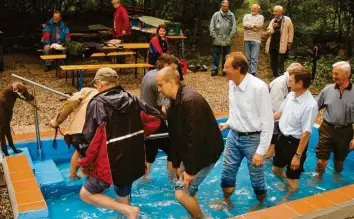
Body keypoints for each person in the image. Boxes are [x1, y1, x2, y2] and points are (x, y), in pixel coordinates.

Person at [77, 68, 161, 218]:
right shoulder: (132, 99)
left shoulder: (97, 104)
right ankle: (126, 211)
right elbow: (155, 118)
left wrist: (85, 163)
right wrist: (139, 133)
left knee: (85, 194)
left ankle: (129, 210)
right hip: (132, 158)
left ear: (100, 84)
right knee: (123, 194)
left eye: (96, 84)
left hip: (109, 164)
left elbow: (90, 139)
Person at [155, 67, 224, 218]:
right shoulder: (173, 102)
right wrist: (176, 163)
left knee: (181, 193)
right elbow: (174, 135)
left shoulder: (192, 101)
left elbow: (196, 138)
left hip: (207, 152)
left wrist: (190, 171)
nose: (158, 90)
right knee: (187, 191)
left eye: (160, 85)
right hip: (191, 152)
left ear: (172, 82)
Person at [210, 52, 274, 210]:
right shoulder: (232, 82)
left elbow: (268, 121)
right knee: (226, 175)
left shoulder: (259, 88)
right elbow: (237, 108)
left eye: (226, 67)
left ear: (238, 69)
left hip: (253, 140)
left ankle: (261, 205)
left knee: (257, 180)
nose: (223, 70)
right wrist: (230, 123)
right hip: (233, 137)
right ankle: (226, 201)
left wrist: (261, 151)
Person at [272, 69, 318, 193]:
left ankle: (288, 199)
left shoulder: (310, 105)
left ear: (300, 83)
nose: (288, 83)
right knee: (276, 168)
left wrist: (297, 156)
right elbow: (280, 113)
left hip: (295, 144)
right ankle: (285, 184)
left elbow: (306, 133)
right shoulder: (291, 95)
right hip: (282, 139)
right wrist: (264, 121)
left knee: (293, 178)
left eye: (291, 81)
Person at [140, 54, 179, 179]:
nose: (175, 72)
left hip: (145, 120)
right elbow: (164, 107)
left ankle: (143, 179)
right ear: (166, 66)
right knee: (174, 150)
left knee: (150, 153)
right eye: (173, 69)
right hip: (156, 121)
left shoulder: (148, 74)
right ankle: (172, 181)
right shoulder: (160, 80)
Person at [315, 61, 354, 180]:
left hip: (345, 131)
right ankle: (318, 178)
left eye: (337, 73)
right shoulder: (327, 90)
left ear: (346, 74)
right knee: (321, 161)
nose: (334, 76)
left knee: (339, 162)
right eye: (333, 73)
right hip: (327, 128)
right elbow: (314, 107)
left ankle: (336, 177)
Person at [49, 87, 98, 181]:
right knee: (89, 153)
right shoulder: (114, 95)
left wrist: (57, 121)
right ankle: (84, 175)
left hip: (77, 130)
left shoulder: (87, 91)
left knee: (79, 151)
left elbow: (73, 101)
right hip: (91, 131)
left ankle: (72, 176)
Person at [265, 63, 304, 159]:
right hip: (273, 117)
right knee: (273, 143)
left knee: (274, 144)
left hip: (275, 117)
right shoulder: (279, 84)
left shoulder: (289, 82)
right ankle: (264, 162)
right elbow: (276, 109)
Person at [209, 0, 236, 76]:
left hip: (227, 39)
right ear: (221, 6)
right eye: (223, 6)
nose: (225, 7)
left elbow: (234, 27)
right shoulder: (216, 15)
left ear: (228, 6)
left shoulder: (231, 15)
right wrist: (215, 37)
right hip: (217, 39)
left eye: (226, 6)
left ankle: (225, 70)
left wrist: (230, 37)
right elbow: (211, 27)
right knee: (216, 55)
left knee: (226, 56)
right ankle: (215, 69)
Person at [265, 5, 294, 77]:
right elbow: (268, 32)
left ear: (281, 12)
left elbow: (291, 31)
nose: (274, 13)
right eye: (274, 11)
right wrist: (273, 28)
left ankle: (280, 78)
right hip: (272, 45)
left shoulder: (287, 20)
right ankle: (275, 77)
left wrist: (289, 42)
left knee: (280, 62)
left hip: (282, 45)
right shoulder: (272, 20)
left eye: (276, 11)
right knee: (273, 62)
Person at [243, 4, 264, 76]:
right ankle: (247, 72)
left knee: (254, 57)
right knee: (247, 57)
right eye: (252, 8)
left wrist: (249, 26)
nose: (253, 9)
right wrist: (253, 26)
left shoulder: (261, 17)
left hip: (256, 39)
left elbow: (259, 26)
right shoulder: (246, 16)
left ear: (258, 9)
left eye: (255, 8)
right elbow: (244, 24)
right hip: (247, 38)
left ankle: (253, 72)